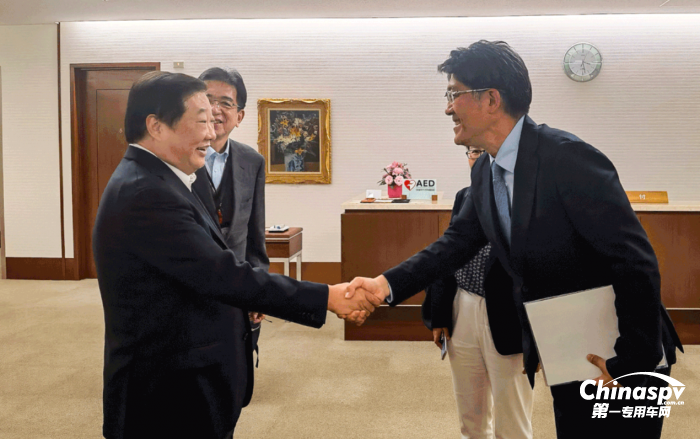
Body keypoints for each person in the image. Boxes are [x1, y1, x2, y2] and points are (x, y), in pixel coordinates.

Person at [347, 40, 682, 438]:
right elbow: (454, 245)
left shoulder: (567, 158)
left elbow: (635, 261)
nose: (448, 108)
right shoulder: (484, 171)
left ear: (491, 99)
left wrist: (630, 362)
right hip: (568, 347)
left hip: (624, 349)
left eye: (454, 94)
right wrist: (383, 286)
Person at [92, 71, 378, 439]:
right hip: (167, 395)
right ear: (156, 126)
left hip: (192, 377)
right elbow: (219, 273)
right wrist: (327, 297)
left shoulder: (165, 180)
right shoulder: (146, 193)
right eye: (201, 121)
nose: (211, 133)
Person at [423, 146, 532, 439]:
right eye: (473, 152)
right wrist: (439, 313)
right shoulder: (464, 196)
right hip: (463, 307)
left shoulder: (527, 199)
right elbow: (448, 256)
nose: (479, 158)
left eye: (486, 151)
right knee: (471, 415)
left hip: (509, 314)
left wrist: (536, 334)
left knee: (512, 419)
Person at [193, 67, 266, 374]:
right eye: (207, 100)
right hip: (191, 288)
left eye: (225, 103)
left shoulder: (253, 161)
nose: (215, 109)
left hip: (236, 286)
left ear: (240, 116)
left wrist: (259, 290)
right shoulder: (178, 158)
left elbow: (255, 236)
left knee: (234, 371)